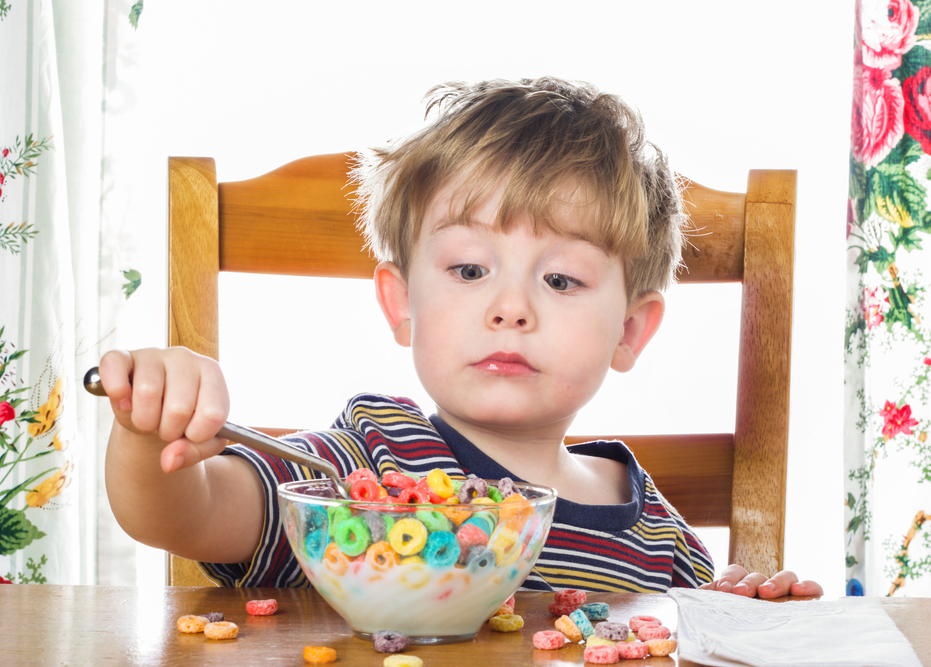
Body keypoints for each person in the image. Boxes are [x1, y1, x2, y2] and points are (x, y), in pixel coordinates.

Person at [100, 77, 821, 597]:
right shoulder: (367, 464)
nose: (510, 308)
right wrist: (147, 432)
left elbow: (703, 630)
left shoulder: (655, 534)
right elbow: (190, 514)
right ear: (402, 301)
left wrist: (748, 606)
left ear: (629, 330)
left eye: (561, 281)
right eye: (471, 268)